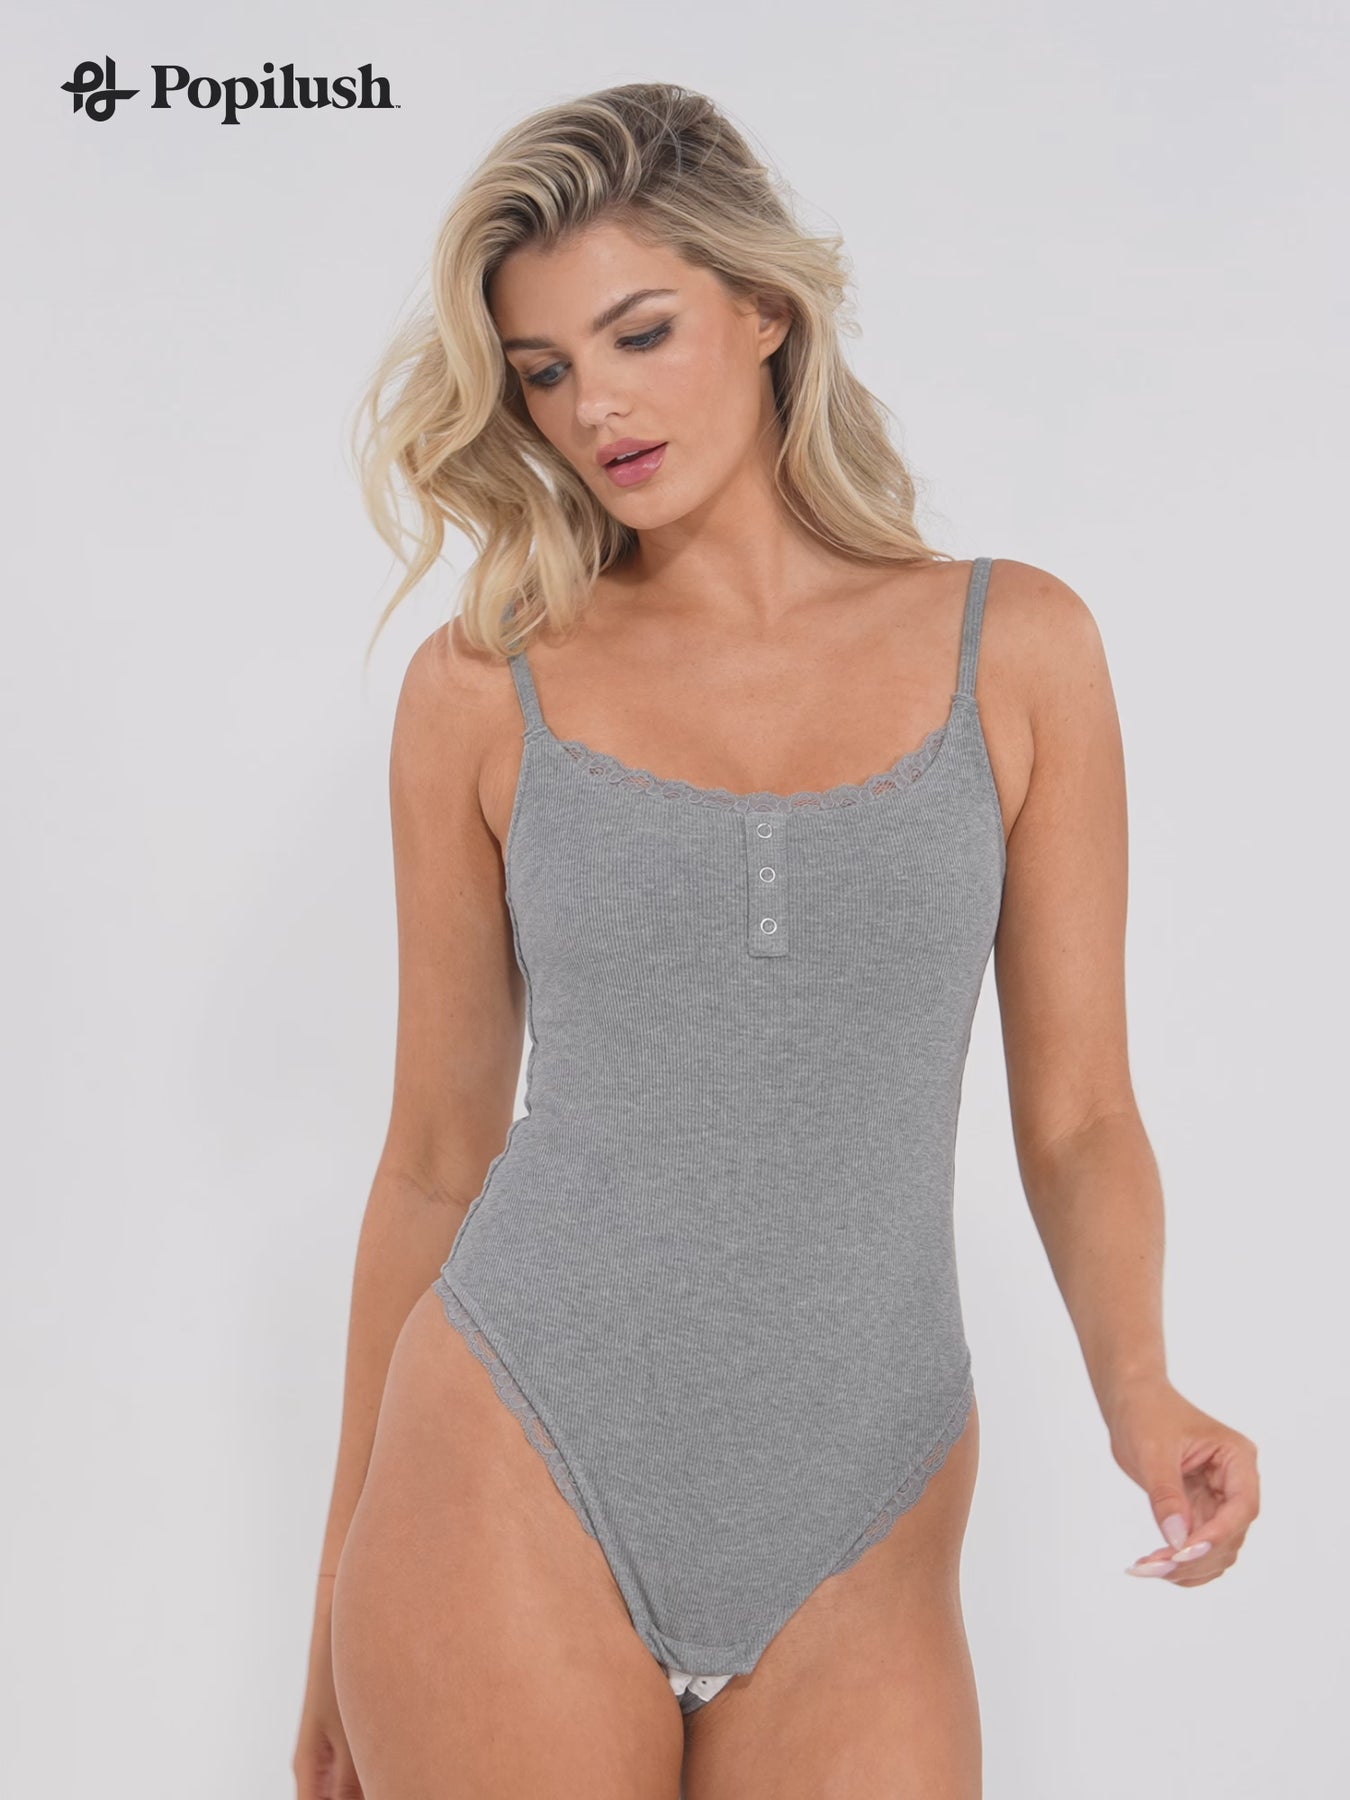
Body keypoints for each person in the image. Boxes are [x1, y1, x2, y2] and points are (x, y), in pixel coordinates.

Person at [292, 81, 1260, 1800]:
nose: (593, 405)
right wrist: (328, 1624)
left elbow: (1081, 1114)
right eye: (542, 370)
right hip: (510, 1449)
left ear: (762, 309)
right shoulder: (482, 690)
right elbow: (433, 1161)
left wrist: (1142, 1389)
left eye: (637, 333)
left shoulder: (1015, 649)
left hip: (865, 1500)